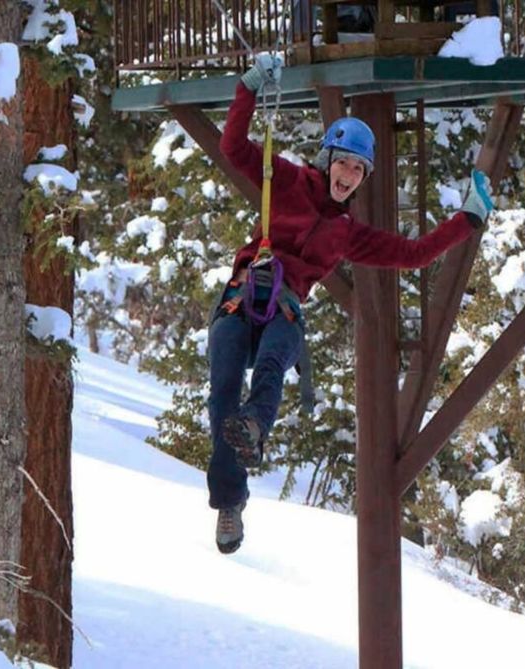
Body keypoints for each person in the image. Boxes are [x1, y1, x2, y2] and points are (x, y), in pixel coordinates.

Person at [209, 53, 494, 554]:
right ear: (327, 160)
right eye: (343, 162)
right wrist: (248, 87)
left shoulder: (347, 233)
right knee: (223, 390)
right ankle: (230, 503)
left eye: (358, 169)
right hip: (242, 298)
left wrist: (467, 220)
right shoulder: (287, 181)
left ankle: (253, 426)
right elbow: (233, 147)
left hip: (284, 310)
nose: (348, 174)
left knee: (273, 362)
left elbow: (413, 254)